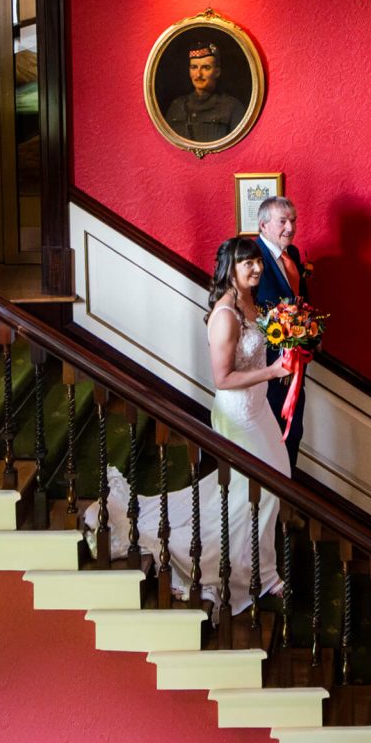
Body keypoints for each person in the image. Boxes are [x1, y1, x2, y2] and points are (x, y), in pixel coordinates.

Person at [84, 240, 287, 615]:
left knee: (262, 488)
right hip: (237, 413)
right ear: (231, 267)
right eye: (248, 263)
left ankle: (262, 565)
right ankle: (249, 570)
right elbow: (223, 378)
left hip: (258, 407)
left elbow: (256, 346)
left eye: (259, 262)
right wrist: (274, 371)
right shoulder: (226, 314)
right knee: (265, 488)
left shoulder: (249, 301)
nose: (257, 269)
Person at [242, 196, 311, 466]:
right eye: (283, 221)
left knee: (294, 434)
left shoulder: (292, 255)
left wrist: (310, 335)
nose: (290, 227)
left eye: (293, 220)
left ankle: (286, 498)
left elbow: (300, 299)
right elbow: (250, 309)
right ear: (263, 225)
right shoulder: (251, 258)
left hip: (297, 366)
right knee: (271, 442)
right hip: (267, 367)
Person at [160, 37, 247, 144]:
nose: (198, 74)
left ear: (217, 72)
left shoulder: (232, 108)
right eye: (194, 67)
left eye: (206, 67)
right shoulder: (177, 106)